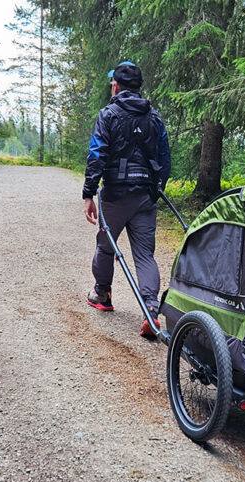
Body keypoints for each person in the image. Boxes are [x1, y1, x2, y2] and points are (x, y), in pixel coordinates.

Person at [83, 61, 171, 339]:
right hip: (144, 194)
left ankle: (102, 294)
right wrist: (157, 188)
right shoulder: (154, 118)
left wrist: (88, 193)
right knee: (145, 255)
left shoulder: (108, 114)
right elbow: (165, 158)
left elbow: (97, 154)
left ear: (116, 85)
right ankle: (151, 310)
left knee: (106, 247)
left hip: (115, 195)